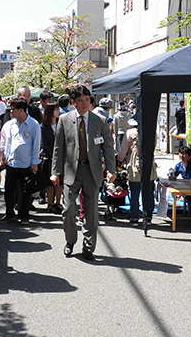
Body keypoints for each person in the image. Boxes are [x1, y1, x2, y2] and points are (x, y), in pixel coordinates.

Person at [50, 84, 116, 260]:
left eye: (87, 100)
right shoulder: (64, 120)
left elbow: (108, 148)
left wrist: (111, 170)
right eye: (80, 100)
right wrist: (55, 171)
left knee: (91, 212)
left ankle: (88, 246)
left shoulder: (99, 121)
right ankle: (70, 240)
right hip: (71, 170)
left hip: (92, 171)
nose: (85, 103)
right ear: (73, 102)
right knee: (69, 209)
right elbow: (58, 148)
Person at [0, 98, 41, 225]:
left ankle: (24, 214)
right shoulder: (9, 125)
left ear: (21, 110)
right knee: (9, 189)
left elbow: (36, 144)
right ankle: (9, 213)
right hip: (11, 162)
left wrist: (35, 163)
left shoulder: (34, 124)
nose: (10, 112)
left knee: (25, 190)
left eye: (13, 109)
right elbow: (4, 142)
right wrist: (2, 158)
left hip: (26, 163)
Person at [117, 119, 156, 227]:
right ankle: (148, 217)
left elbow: (122, 153)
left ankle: (134, 217)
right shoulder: (152, 132)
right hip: (149, 166)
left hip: (135, 168)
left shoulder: (129, 133)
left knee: (135, 193)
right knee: (149, 193)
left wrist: (119, 160)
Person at [41, 102, 62, 213]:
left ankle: (58, 203)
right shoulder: (43, 126)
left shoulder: (61, 123)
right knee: (49, 183)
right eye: (56, 110)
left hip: (61, 158)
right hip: (49, 157)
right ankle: (50, 203)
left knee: (60, 182)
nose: (58, 111)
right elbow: (43, 143)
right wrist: (51, 155)